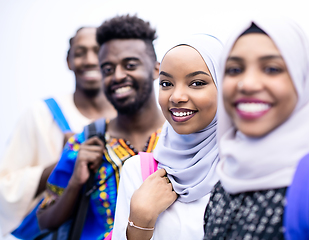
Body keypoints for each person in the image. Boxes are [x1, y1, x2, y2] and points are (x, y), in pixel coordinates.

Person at [203, 17, 309, 239]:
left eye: (272, 68)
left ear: (302, 80)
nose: (247, 84)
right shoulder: (224, 183)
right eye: (235, 69)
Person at [36, 15, 165, 240]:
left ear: (156, 70)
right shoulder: (85, 142)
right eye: (107, 68)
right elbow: (44, 220)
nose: (117, 76)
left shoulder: (182, 136)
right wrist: (76, 181)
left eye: (130, 65)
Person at [0, 27, 116, 238]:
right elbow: (5, 188)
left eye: (97, 51)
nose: (90, 60)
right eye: (80, 53)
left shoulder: (126, 119)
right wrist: (65, 162)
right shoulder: (41, 114)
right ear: (68, 61)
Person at [110, 34, 223, 240]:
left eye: (197, 83)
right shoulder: (139, 172)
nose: (176, 97)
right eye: (166, 83)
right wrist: (140, 221)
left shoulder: (243, 169)